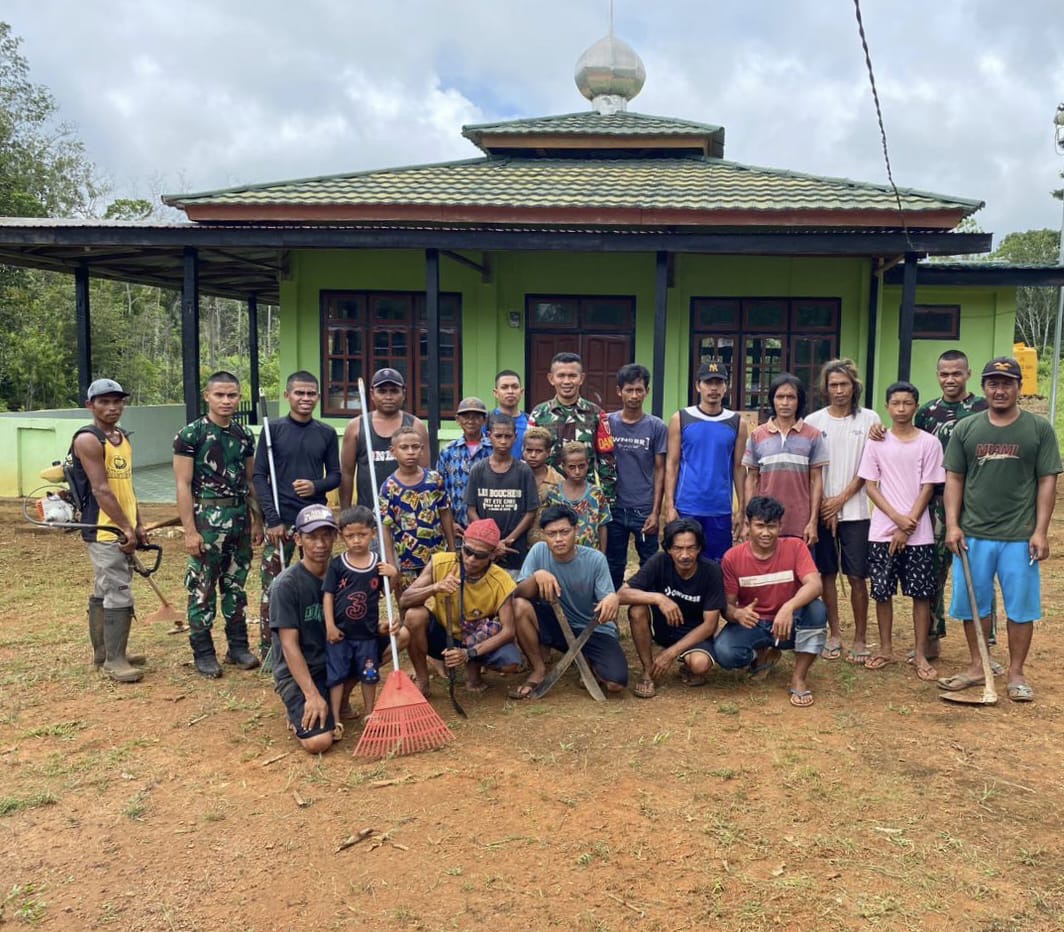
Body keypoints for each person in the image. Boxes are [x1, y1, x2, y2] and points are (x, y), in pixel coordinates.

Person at [941, 357, 1061, 702]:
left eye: (1007, 383)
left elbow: (1046, 481)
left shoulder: (1038, 430)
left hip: (1019, 537)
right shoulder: (967, 428)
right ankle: (978, 665)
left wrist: (1040, 531)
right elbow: (954, 478)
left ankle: (1016, 673)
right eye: (993, 383)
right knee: (972, 604)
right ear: (984, 388)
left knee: (1021, 608)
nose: (1000, 389)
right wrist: (952, 525)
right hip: (973, 535)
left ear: (1019, 388)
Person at [173, 371, 263, 678]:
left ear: (239, 397)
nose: (226, 401)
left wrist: (257, 520)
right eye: (220, 395)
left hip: (238, 522)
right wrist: (190, 531)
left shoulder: (243, 436)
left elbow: (250, 480)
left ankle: (237, 646)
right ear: (207, 396)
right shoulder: (191, 434)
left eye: (232, 395)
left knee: (235, 587)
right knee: (203, 588)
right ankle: (203, 651)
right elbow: (183, 485)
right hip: (206, 522)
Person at [857, 381, 943, 678]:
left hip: (919, 533)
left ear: (916, 406)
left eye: (908, 403)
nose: (902, 409)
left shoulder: (929, 443)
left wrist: (908, 526)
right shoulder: (877, 442)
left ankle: (920, 654)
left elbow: (928, 486)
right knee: (882, 592)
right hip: (882, 531)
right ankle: (885, 648)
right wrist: (895, 518)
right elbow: (870, 486)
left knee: (920, 594)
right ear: (887, 407)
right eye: (896, 404)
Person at [253, 371, 341, 664]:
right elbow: (259, 476)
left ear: (318, 397)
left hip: (313, 521)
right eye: (299, 393)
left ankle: (316, 640)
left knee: (319, 583)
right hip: (281, 520)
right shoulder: (273, 430)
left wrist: (316, 486)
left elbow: (337, 476)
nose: (305, 399)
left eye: (311, 394)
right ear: (287, 396)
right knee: (274, 584)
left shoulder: (326, 433)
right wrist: (272, 519)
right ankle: (271, 649)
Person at [913, 350, 990, 658]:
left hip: (976, 503)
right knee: (933, 571)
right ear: (937, 375)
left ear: (968, 374)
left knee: (979, 573)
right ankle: (931, 637)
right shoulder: (927, 413)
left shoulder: (983, 409)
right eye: (944, 374)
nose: (950, 379)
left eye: (956, 373)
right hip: (935, 504)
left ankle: (986, 646)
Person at [70, 378, 148, 683]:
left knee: (105, 588)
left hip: (122, 525)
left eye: (118, 402)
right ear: (90, 405)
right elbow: (101, 490)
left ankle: (105, 653)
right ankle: (115, 660)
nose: (113, 407)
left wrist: (137, 523)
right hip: (103, 528)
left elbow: (125, 486)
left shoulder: (121, 437)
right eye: (104, 402)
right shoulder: (88, 440)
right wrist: (125, 527)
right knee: (117, 588)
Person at [715, 497, 827, 708]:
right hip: (754, 623)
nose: (766, 533)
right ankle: (761, 655)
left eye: (771, 526)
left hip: (788, 623)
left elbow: (815, 584)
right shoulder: (732, 558)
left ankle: (799, 678)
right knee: (724, 653)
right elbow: (726, 607)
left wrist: (789, 606)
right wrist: (738, 614)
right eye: (759, 526)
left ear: (780, 526)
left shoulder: (795, 547)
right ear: (748, 525)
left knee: (817, 609)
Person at [804, 359, 880, 662]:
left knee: (857, 576)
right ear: (825, 388)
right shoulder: (814, 422)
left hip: (857, 511)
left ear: (854, 387)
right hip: (821, 511)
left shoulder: (870, 420)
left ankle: (861, 638)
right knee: (826, 575)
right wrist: (825, 505)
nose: (838, 391)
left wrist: (841, 499)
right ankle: (833, 633)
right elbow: (813, 470)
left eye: (844, 384)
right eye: (833, 385)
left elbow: (869, 465)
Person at [510, 505, 628, 698]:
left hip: (593, 630)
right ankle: (538, 670)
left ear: (576, 530)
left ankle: (588, 660)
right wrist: (537, 576)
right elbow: (519, 593)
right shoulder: (539, 551)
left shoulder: (595, 559)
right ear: (543, 535)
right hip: (559, 625)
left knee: (616, 684)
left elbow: (606, 598)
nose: (558, 539)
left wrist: (612, 599)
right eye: (551, 533)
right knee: (520, 606)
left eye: (564, 532)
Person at [400, 518, 524, 696]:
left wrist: (469, 653)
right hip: (442, 634)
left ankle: (472, 664)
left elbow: (508, 631)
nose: (471, 559)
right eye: (467, 551)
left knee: (510, 663)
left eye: (480, 555)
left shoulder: (502, 581)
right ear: (462, 544)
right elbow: (404, 600)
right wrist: (435, 587)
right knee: (414, 615)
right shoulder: (440, 563)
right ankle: (422, 679)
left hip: (476, 638)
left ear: (492, 554)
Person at [618, 518, 726, 698]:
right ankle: (648, 670)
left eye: (691, 548)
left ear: (699, 548)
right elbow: (621, 594)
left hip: (694, 633)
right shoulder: (659, 561)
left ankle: (686, 664)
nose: (685, 555)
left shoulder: (712, 571)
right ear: (668, 549)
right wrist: (658, 598)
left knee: (700, 665)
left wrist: (670, 654)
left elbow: (710, 625)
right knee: (637, 609)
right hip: (663, 629)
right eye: (678, 548)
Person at [322, 506, 406, 733]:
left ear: (373, 533)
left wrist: (394, 574)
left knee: (370, 675)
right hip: (340, 634)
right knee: (337, 676)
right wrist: (329, 625)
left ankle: (370, 712)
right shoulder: (338, 565)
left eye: (362, 535)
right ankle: (336, 718)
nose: (356, 541)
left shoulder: (378, 564)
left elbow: (387, 593)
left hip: (368, 634)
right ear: (342, 536)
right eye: (350, 536)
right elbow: (328, 595)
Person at [271, 504, 341, 754]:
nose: (320, 544)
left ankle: (337, 701)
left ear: (335, 537)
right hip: (300, 669)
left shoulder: (342, 574)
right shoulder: (285, 586)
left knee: (401, 637)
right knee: (319, 742)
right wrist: (310, 695)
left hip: (334, 660)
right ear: (298, 539)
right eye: (311, 537)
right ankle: (302, 700)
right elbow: (289, 646)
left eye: (326, 536)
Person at [664, 361, 747, 561]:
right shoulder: (681, 418)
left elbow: (738, 468)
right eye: (708, 382)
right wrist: (669, 506)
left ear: (726, 387)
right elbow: (672, 464)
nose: (713, 388)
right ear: (698, 385)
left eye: (719, 383)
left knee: (718, 564)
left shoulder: (736, 423)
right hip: (687, 505)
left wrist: (741, 509)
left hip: (720, 508)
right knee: (685, 560)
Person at [743, 373, 827, 544]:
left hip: (800, 523)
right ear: (772, 400)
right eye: (780, 397)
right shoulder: (757, 435)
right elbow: (751, 480)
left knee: (800, 570)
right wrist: (747, 520)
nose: (785, 402)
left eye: (791, 397)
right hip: (765, 523)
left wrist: (813, 522)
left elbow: (816, 480)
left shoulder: (813, 435)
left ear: (799, 401)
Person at [606, 363, 668, 588]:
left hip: (643, 509)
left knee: (650, 563)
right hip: (614, 508)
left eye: (639, 390)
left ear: (647, 392)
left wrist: (655, 512)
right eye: (629, 390)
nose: (634, 395)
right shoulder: (607, 423)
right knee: (613, 564)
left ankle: (648, 609)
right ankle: (608, 615)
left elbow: (661, 469)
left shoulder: (656, 427)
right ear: (618, 391)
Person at [528, 352, 616, 500]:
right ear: (551, 379)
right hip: (548, 496)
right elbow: (530, 457)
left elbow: (607, 460)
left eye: (572, 376)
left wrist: (607, 499)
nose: (566, 381)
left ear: (581, 378)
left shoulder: (596, 414)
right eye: (561, 376)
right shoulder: (538, 414)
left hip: (585, 498)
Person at [339, 367, 429, 509]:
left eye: (394, 391)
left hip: (407, 512)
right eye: (382, 391)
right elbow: (347, 473)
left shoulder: (416, 426)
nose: (388, 397)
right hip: (369, 511)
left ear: (403, 393)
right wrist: (345, 513)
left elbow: (425, 473)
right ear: (372, 393)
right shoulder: (356, 426)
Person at [379, 425, 455, 590]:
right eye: (404, 447)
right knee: (408, 604)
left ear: (422, 449)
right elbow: (385, 527)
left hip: (437, 557)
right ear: (393, 451)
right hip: (406, 561)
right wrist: (392, 564)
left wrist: (452, 549)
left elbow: (445, 514)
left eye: (415, 447)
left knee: (439, 601)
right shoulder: (389, 487)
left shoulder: (435, 480)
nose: (410, 452)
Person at [464, 413, 539, 572]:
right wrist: (490, 540)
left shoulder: (524, 471)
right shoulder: (478, 470)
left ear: (515, 437)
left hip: (514, 551)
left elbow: (531, 512)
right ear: (489, 436)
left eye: (508, 436)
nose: (503, 441)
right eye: (498, 436)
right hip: (482, 551)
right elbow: (471, 509)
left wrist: (508, 541)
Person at [543, 441, 611, 551]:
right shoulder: (554, 493)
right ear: (563, 466)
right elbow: (547, 527)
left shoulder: (596, 493)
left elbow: (602, 526)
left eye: (581, 466)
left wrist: (602, 554)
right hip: (561, 555)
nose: (577, 471)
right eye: (572, 467)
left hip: (590, 556)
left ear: (588, 464)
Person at [436, 396, 492, 531]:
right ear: (458, 420)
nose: (471, 421)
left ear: (484, 420)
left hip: (487, 525)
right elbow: (440, 491)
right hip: (456, 526)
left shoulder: (494, 450)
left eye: (476, 417)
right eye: (466, 416)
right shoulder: (447, 452)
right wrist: (449, 524)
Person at [522, 426, 564, 548]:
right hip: (516, 544)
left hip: (546, 546)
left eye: (539, 451)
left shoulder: (558, 481)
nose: (533, 455)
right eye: (529, 450)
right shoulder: (514, 475)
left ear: (548, 452)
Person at [490, 370, 529, 453]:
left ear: (521, 392)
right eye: (504, 387)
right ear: (496, 393)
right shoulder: (486, 421)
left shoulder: (530, 422)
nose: (510, 391)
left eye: (515, 387)